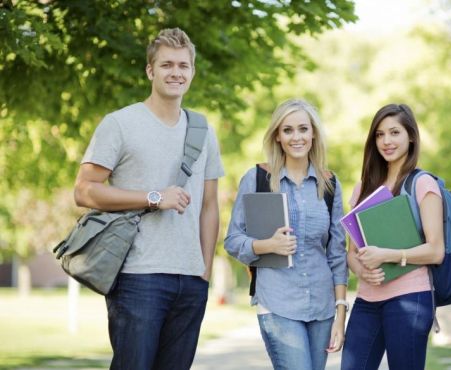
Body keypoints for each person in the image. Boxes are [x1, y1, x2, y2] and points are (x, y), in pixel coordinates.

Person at [73, 28, 224, 370]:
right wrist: (155, 197)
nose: (176, 72)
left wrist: (205, 270)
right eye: (167, 64)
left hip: (190, 280)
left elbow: (210, 204)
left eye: (183, 65)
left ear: (192, 72)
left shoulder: (203, 129)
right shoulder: (120, 124)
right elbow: (84, 190)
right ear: (150, 70)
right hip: (138, 276)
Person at [224, 98, 348, 370]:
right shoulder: (257, 179)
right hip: (277, 301)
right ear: (277, 136)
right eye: (288, 130)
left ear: (313, 134)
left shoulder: (329, 184)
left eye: (303, 129)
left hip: (322, 306)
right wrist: (267, 245)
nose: (296, 137)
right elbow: (232, 241)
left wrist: (340, 312)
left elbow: (337, 253)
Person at [341, 103, 445, 370]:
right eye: (379, 134)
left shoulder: (422, 184)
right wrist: (362, 272)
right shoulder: (363, 187)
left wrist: (388, 255)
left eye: (394, 133)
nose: (386, 141)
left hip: (410, 299)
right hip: (367, 301)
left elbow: (436, 250)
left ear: (411, 136)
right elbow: (351, 254)